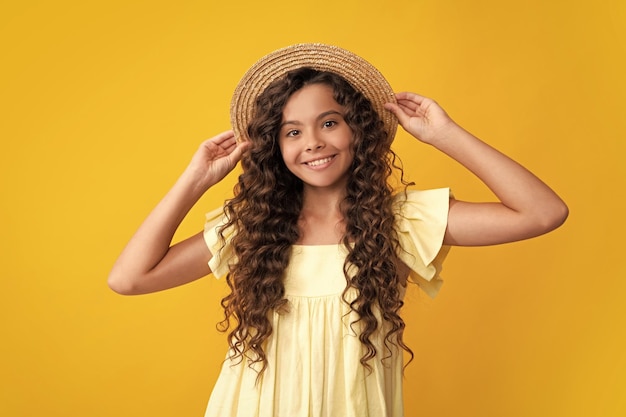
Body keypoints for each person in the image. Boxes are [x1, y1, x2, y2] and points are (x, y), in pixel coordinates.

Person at [108, 44, 568, 417]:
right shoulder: (251, 230)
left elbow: (542, 213)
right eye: (292, 132)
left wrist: (445, 135)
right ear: (274, 146)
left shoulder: (400, 222)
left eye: (329, 123)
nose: (313, 142)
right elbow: (129, 279)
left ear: (358, 130)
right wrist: (195, 180)